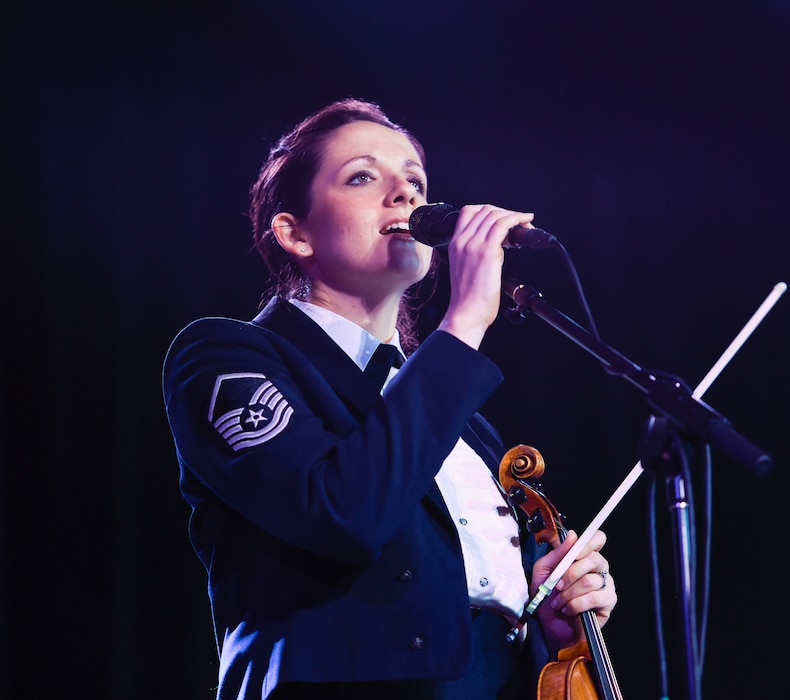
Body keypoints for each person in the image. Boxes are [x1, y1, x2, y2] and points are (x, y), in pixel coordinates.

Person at [162, 98, 617, 699]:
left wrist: (541, 618)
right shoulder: (225, 356)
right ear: (294, 233)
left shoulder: (467, 425)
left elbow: (459, 605)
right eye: (362, 176)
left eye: (415, 180)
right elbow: (343, 512)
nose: (406, 194)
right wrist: (464, 324)